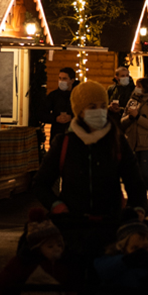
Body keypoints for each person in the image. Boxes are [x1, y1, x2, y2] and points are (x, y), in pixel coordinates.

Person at [47, 80, 127, 216]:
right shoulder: (64, 143)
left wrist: (137, 208)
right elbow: (41, 183)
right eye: (92, 107)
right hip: (73, 225)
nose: (99, 111)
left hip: (109, 224)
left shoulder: (116, 141)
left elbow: (134, 180)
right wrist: (57, 206)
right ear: (80, 110)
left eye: (103, 106)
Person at [0, 213, 79, 295]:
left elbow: (73, 279)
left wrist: (72, 293)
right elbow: (2, 281)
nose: (57, 249)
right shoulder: (24, 263)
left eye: (59, 245)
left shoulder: (65, 263)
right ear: (37, 249)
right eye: (50, 246)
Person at [119, 75, 148, 208]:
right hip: (131, 142)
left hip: (146, 144)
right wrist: (130, 118)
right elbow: (122, 122)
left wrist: (137, 117)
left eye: (139, 86)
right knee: (133, 174)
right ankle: (138, 201)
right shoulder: (132, 101)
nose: (136, 89)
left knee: (144, 172)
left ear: (146, 88)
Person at [43, 67, 77, 151]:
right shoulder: (53, 96)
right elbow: (42, 113)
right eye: (60, 78)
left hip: (74, 135)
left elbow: (84, 113)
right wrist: (55, 118)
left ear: (72, 80)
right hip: (56, 135)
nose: (61, 81)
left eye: (64, 79)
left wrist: (72, 117)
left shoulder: (78, 96)